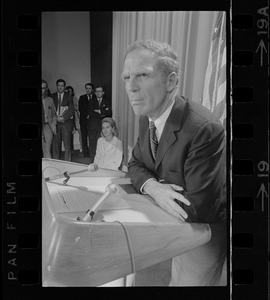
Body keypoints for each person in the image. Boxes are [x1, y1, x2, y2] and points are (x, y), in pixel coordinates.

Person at [122, 39, 227, 286]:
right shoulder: (146, 117)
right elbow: (136, 164)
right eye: (126, 77)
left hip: (201, 233)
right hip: (163, 227)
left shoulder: (204, 129)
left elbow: (196, 208)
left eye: (142, 75)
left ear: (171, 81)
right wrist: (153, 187)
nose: (131, 87)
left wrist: (145, 190)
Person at [51, 79, 74, 161]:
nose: (60, 87)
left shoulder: (69, 97)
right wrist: (55, 118)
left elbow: (71, 110)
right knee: (55, 145)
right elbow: (49, 110)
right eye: (59, 85)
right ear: (56, 86)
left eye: (62, 85)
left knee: (67, 145)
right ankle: (56, 163)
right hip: (55, 123)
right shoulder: (52, 96)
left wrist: (63, 118)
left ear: (64, 86)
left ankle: (68, 163)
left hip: (66, 123)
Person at [87, 86, 112, 162]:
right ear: (95, 93)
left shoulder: (107, 101)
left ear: (103, 92)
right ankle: (93, 161)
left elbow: (109, 112)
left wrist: (99, 111)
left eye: (100, 91)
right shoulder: (91, 101)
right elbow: (90, 112)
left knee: (103, 144)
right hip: (93, 126)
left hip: (103, 127)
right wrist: (102, 113)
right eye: (97, 91)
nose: (98, 93)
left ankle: (102, 162)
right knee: (93, 144)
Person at [42, 79, 57, 158]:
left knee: (47, 150)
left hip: (47, 126)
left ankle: (48, 169)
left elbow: (53, 115)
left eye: (44, 88)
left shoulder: (50, 100)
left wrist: (54, 126)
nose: (42, 90)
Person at [78, 83, 95, 157]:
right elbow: (80, 108)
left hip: (92, 120)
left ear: (92, 89)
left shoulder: (95, 97)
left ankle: (92, 151)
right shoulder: (82, 97)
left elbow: (95, 108)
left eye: (89, 88)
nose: (88, 90)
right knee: (84, 136)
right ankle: (85, 152)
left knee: (92, 136)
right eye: (86, 88)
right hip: (84, 120)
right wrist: (86, 115)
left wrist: (90, 115)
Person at [66, 85, 82, 153]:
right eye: (68, 91)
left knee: (80, 132)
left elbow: (78, 108)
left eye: (71, 91)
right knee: (69, 134)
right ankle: (70, 149)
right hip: (68, 118)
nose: (70, 93)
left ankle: (81, 147)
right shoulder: (64, 99)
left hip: (76, 117)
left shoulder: (75, 98)